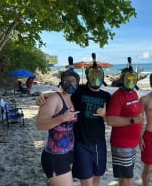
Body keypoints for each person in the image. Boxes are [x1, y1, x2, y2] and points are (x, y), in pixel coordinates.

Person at [37, 54, 111, 186]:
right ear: (87, 77)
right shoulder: (79, 92)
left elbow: (110, 120)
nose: (95, 78)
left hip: (86, 147)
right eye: (92, 75)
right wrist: (45, 95)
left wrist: (104, 115)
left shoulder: (106, 96)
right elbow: (62, 93)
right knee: (86, 181)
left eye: (98, 75)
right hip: (75, 147)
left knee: (96, 178)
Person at [36, 57, 80, 186]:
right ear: (61, 82)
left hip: (69, 153)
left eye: (74, 81)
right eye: (67, 80)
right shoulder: (54, 98)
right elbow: (39, 125)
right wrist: (62, 118)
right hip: (54, 156)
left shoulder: (73, 99)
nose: (70, 83)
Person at [106, 57, 144, 186]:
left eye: (133, 79)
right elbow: (111, 120)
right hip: (122, 144)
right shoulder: (117, 96)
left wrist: (140, 138)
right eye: (127, 79)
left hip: (132, 143)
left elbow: (138, 115)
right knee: (128, 179)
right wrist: (133, 120)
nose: (130, 81)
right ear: (121, 80)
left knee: (125, 178)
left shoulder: (133, 94)